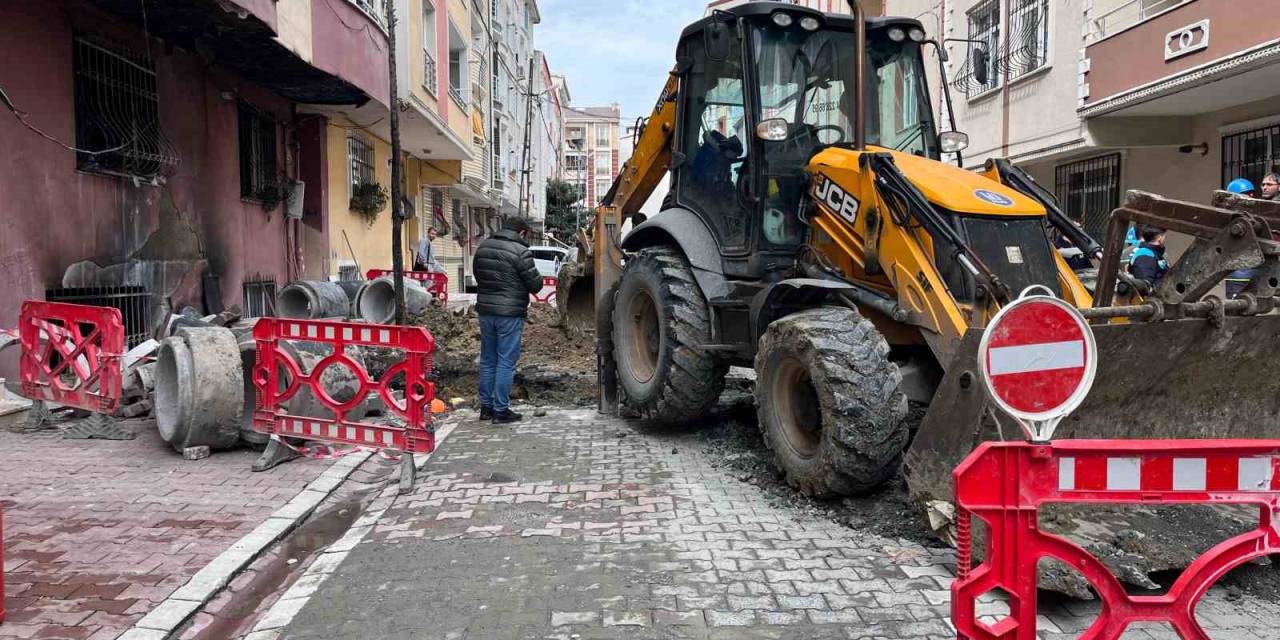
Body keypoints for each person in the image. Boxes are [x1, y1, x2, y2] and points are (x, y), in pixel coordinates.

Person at [473, 217, 543, 423]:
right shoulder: (520, 252)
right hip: (510, 314)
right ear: (521, 233)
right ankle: (500, 410)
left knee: (487, 359)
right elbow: (536, 285)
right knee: (506, 361)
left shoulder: (483, 247)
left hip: (486, 311)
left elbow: (479, 275)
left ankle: (485, 408)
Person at [1224, 178, 1259, 296]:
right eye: (1247, 194)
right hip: (1237, 274)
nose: (1251, 196)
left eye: (1252, 193)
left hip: (1251, 272)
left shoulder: (1252, 215)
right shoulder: (1232, 218)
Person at [1128, 226, 1168, 290]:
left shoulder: (1155, 254)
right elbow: (1145, 285)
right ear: (1159, 238)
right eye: (1164, 236)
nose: (1165, 239)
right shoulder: (1145, 255)